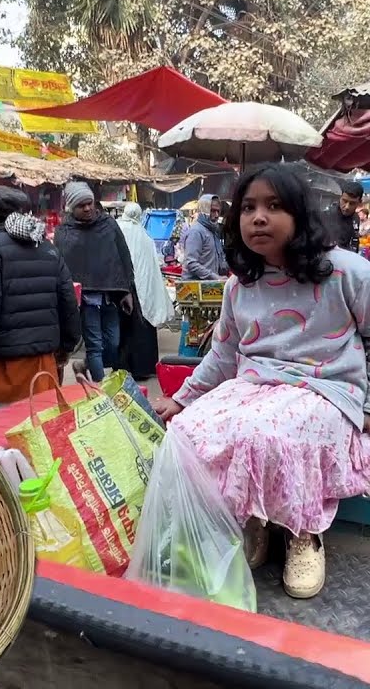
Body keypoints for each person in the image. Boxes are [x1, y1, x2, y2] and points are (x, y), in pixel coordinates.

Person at [151, 163, 370, 599]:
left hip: (324, 386)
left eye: (274, 206)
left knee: (273, 432)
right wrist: (182, 399)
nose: (258, 217)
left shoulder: (346, 272)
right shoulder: (239, 285)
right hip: (254, 385)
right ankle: (253, 516)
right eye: (248, 207)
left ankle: (303, 532)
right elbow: (224, 354)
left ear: (300, 214)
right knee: (190, 429)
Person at [0, 186, 80, 406]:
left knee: (6, 435)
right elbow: (68, 301)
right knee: (41, 431)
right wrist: (67, 345)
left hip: (6, 368)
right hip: (44, 365)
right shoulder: (47, 247)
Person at [53, 182, 135, 382]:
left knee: (113, 342)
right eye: (82, 206)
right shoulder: (64, 231)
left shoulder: (108, 224)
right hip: (87, 299)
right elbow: (61, 268)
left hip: (110, 295)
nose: (88, 208)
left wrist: (126, 291)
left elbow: (122, 257)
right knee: (95, 345)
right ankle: (101, 391)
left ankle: (85, 365)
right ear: (72, 208)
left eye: (90, 203)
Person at [117, 202, 175, 380]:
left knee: (124, 330)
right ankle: (143, 368)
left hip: (122, 288)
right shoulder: (144, 235)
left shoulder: (118, 229)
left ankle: (123, 367)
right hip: (142, 289)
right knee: (142, 329)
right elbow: (151, 268)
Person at [181, 193, 229, 279]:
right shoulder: (196, 231)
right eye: (213, 211)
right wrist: (215, 277)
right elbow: (191, 263)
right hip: (195, 285)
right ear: (204, 210)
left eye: (218, 211)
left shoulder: (214, 231)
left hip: (210, 284)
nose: (217, 215)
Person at [325, 180, 364, 252]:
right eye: (344, 201)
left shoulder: (356, 218)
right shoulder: (327, 216)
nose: (347, 207)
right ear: (340, 197)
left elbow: (354, 241)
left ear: (359, 202)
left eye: (352, 203)